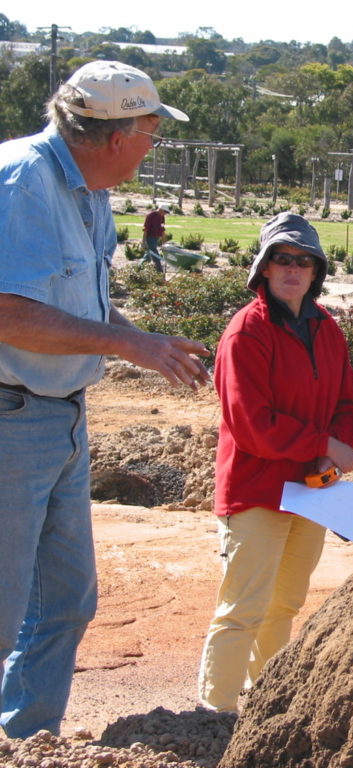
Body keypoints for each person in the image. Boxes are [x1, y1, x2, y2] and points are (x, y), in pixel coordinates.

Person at [0, 60, 207, 739]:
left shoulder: (87, 192)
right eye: (150, 132)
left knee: (65, 602)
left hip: (61, 418)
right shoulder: (24, 181)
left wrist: (143, 338)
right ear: (117, 136)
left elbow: (79, 303)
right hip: (11, 417)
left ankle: (27, 741)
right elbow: (8, 313)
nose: (153, 146)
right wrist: (130, 348)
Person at [197, 212, 353, 712]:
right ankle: (216, 714)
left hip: (312, 490)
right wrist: (323, 445)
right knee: (244, 608)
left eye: (304, 261)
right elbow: (252, 423)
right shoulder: (246, 331)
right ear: (264, 268)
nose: (294, 268)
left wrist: (329, 448)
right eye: (282, 259)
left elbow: (351, 400)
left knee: (285, 604)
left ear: (316, 272)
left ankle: (267, 707)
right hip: (256, 490)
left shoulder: (326, 328)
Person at [142, 203, 170, 272]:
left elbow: (162, 229)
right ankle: (159, 272)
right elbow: (146, 229)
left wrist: (164, 243)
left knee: (148, 256)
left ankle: (138, 269)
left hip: (156, 238)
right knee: (155, 255)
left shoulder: (162, 217)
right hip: (149, 237)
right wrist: (144, 241)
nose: (165, 214)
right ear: (160, 210)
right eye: (165, 212)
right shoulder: (150, 216)